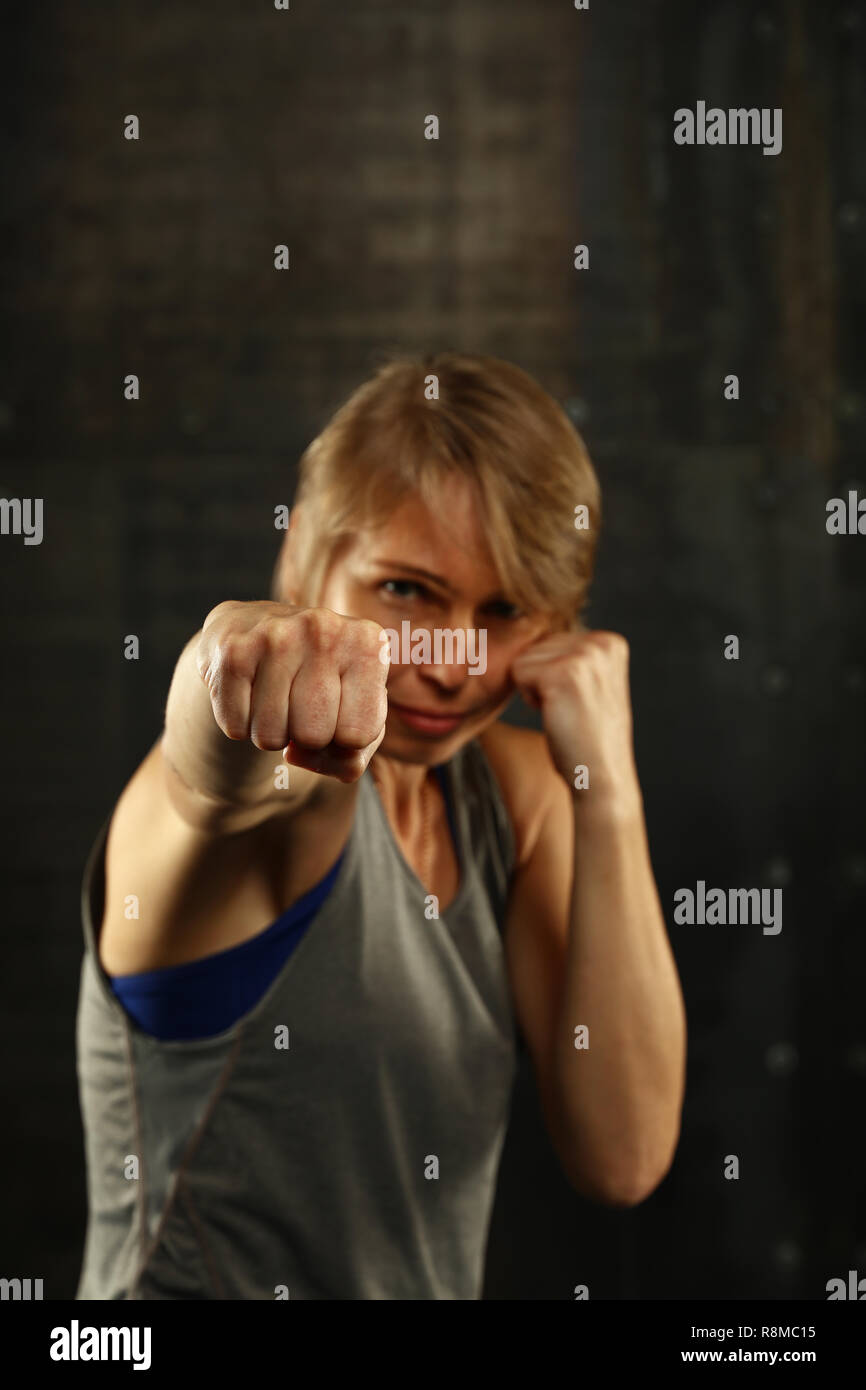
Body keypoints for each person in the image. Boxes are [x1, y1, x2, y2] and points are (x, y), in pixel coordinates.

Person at [75, 351, 687, 1300]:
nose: (454, 665)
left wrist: (610, 791)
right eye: (405, 591)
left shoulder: (521, 801)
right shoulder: (295, 790)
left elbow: (624, 1156)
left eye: (504, 610)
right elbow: (216, 780)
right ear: (308, 562)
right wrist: (232, 662)